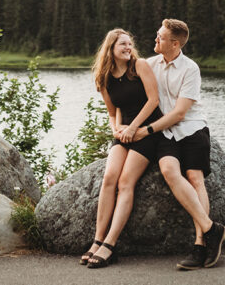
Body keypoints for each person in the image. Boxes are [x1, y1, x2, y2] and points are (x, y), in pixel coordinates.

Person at [135, 18, 225, 270]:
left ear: (174, 44)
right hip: (166, 135)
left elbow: (179, 114)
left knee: (195, 177)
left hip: (192, 128)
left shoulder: (190, 69)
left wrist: (145, 131)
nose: (155, 40)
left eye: (161, 37)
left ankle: (200, 245)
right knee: (168, 170)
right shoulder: (149, 64)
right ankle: (212, 230)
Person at [80, 28, 162, 269]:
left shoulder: (140, 66)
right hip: (124, 133)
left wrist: (133, 128)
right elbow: (112, 111)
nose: (128, 48)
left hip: (147, 131)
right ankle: (97, 240)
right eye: (122, 45)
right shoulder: (103, 77)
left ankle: (110, 244)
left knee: (126, 181)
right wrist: (116, 129)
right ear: (111, 49)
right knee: (109, 179)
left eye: (129, 44)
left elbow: (153, 100)